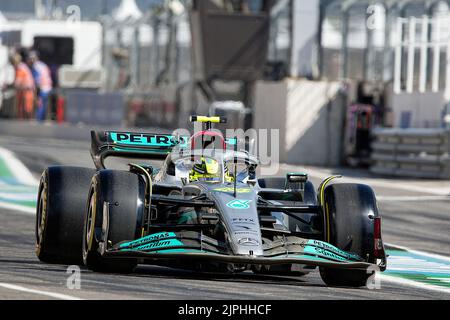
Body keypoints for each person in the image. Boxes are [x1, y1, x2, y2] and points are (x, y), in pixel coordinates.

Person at [27, 51, 53, 121]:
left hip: (43, 88)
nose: (30, 60)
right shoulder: (42, 65)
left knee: (40, 104)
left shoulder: (36, 66)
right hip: (47, 87)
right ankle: (43, 119)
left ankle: (39, 120)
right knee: (44, 105)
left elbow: (37, 80)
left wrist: (36, 92)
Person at [9, 51, 35, 120]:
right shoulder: (22, 66)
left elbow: (18, 81)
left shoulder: (20, 67)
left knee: (26, 106)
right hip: (25, 88)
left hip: (27, 89)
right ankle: (24, 118)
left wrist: (13, 85)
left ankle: (26, 119)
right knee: (24, 105)